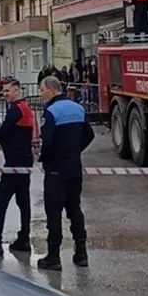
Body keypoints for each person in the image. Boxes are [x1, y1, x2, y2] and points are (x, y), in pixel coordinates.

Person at [36, 75, 95, 270]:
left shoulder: (51, 111)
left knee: (53, 212)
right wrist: (75, 151)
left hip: (55, 170)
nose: (40, 93)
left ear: (52, 90)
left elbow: (48, 142)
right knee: (75, 209)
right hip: (74, 168)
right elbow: (89, 134)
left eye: (42, 90)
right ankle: (81, 253)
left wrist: (44, 160)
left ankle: (53, 256)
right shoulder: (77, 108)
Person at [0, 80, 38, 257]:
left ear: (17, 90)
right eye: (3, 91)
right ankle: (24, 239)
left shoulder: (15, 109)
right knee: (23, 201)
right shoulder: (26, 108)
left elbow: (2, 133)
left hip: (14, 165)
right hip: (25, 163)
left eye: (7, 91)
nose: (5, 94)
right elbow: (8, 138)